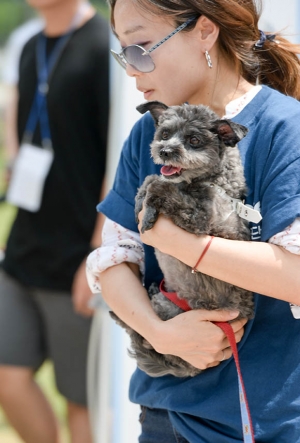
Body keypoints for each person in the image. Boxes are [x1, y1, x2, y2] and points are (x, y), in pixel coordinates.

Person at [86, 0, 300, 442]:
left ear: (205, 31)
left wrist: (178, 241)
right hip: (163, 412)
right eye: (123, 54)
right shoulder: (148, 133)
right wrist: (158, 333)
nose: (131, 70)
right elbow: (113, 258)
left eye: (141, 49)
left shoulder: (285, 128)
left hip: (261, 421)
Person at [0, 0, 109, 442]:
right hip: (25, 245)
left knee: (79, 398)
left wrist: (97, 253)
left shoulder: (104, 47)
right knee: (8, 376)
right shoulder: (28, 47)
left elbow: (117, 160)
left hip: (77, 253)